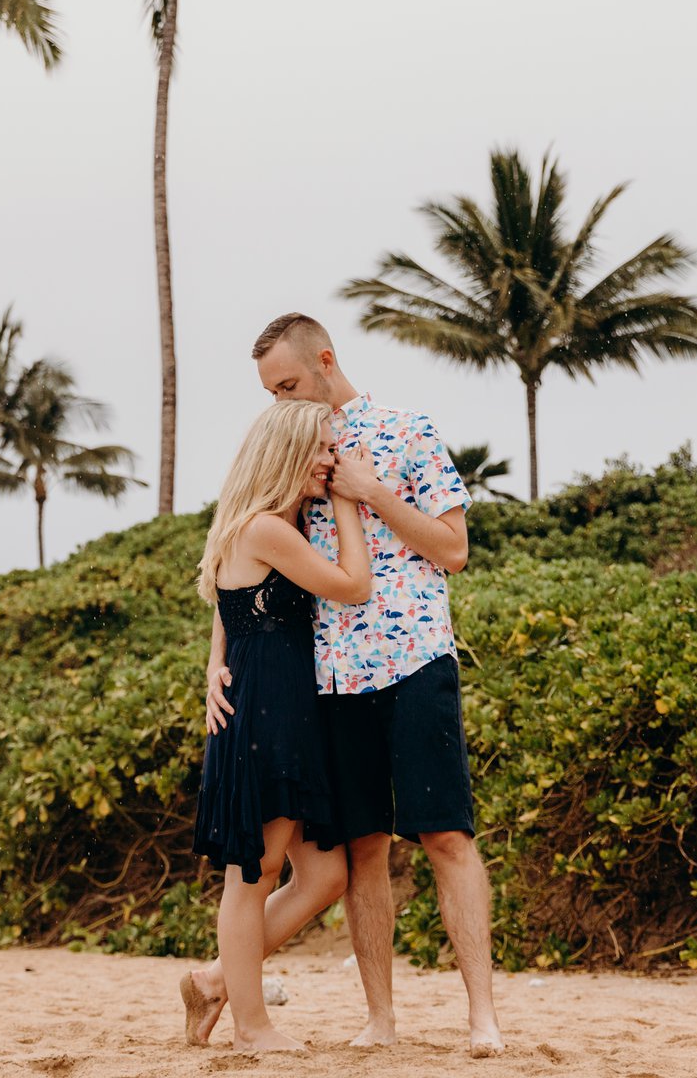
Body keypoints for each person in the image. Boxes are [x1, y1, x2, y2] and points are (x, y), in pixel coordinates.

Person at [191, 312, 505, 1059]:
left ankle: (483, 1019)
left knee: (447, 836)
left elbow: (454, 549)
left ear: (326, 361)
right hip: (326, 682)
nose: (279, 400)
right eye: (270, 391)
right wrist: (216, 657)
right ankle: (379, 1021)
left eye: (287, 384)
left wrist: (369, 492)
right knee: (361, 852)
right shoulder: (293, 447)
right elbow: (244, 556)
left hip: (414, 659)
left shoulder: (407, 431)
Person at [182, 398, 374, 1052]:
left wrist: (214, 660)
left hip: (285, 705)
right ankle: (251, 1027)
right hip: (269, 710)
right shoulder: (267, 528)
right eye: (322, 448)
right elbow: (353, 585)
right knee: (254, 873)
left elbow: (226, 605)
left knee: (324, 877)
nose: (330, 459)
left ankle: (214, 981)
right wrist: (348, 501)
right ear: (288, 452)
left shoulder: (267, 525)